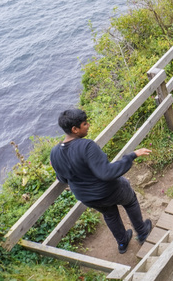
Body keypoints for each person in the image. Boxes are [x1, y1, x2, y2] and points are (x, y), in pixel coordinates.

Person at [49, 109, 152, 254]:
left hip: (87, 197)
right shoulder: (86, 146)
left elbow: (62, 179)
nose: (88, 125)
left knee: (109, 214)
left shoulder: (54, 153)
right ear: (75, 129)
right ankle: (142, 232)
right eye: (85, 124)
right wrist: (131, 156)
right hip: (109, 190)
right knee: (130, 200)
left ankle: (122, 242)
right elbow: (107, 173)